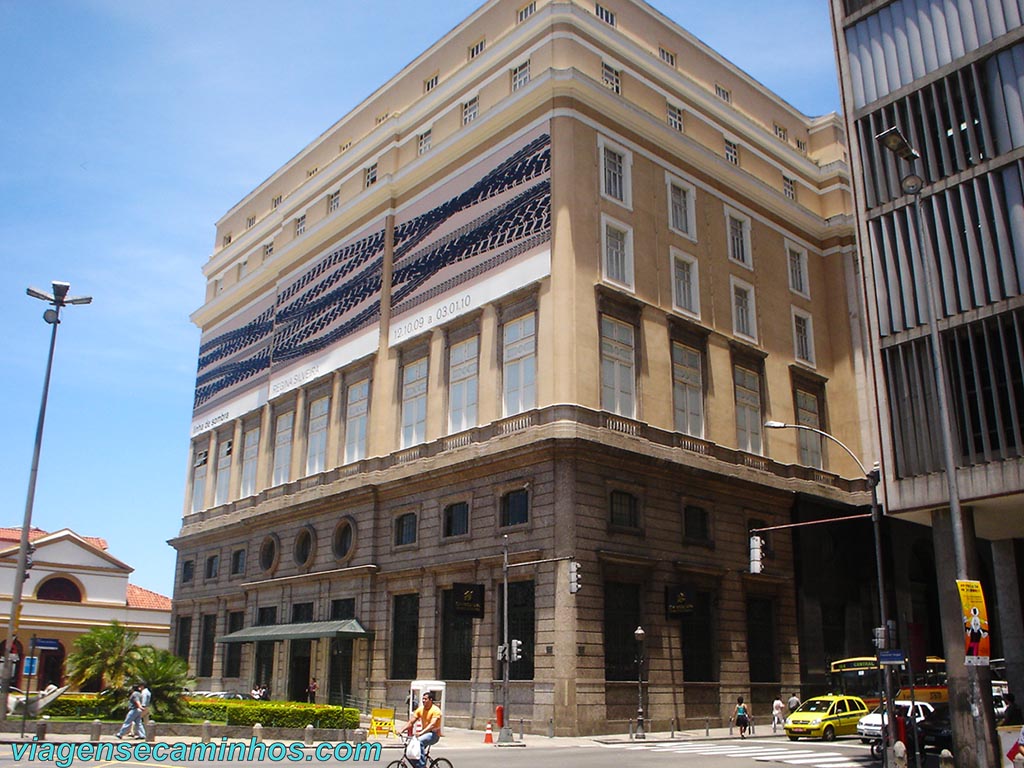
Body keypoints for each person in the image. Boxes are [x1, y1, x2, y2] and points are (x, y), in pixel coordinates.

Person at [402, 691, 442, 768]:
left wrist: (421, 733)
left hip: (434, 735)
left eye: (425, 699)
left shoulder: (436, 710)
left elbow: (432, 725)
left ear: (430, 700)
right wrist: (401, 730)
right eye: (423, 699)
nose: (423, 700)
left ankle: (422, 766)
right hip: (425, 734)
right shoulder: (421, 709)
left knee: (419, 742)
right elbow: (411, 722)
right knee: (410, 751)